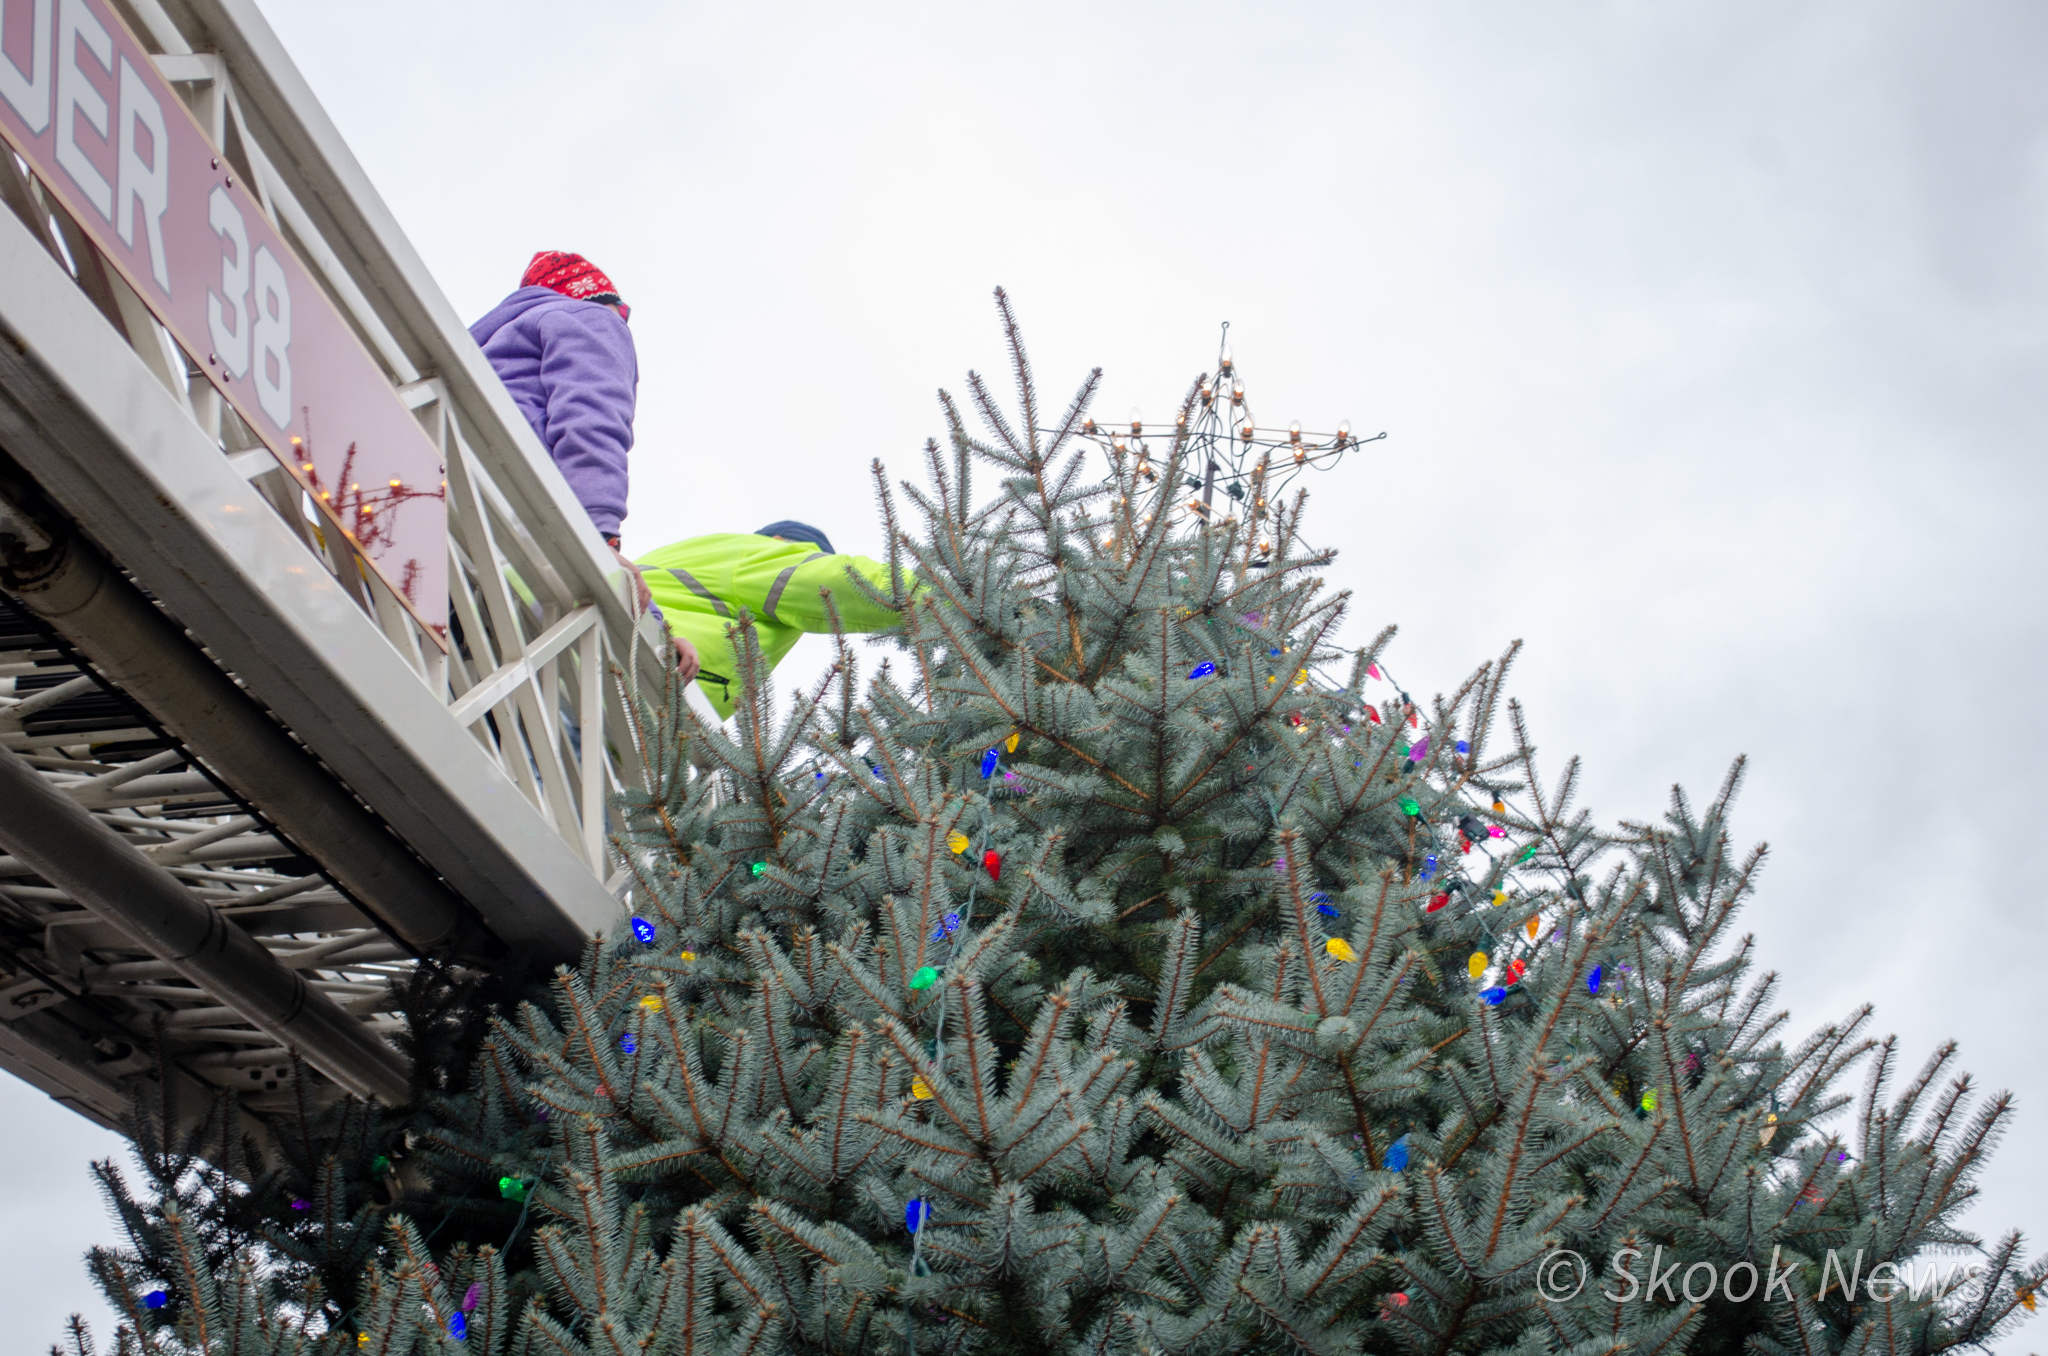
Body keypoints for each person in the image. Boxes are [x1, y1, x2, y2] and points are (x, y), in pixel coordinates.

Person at [470, 252, 698, 677]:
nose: (621, 327)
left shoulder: (481, 352)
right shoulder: (589, 318)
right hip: (513, 512)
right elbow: (590, 421)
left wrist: (663, 628)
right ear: (599, 298)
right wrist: (601, 540)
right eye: (620, 314)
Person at [636, 521, 907, 720]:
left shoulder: (704, 554)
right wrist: (942, 593)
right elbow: (847, 582)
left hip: (612, 662)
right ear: (779, 541)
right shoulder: (761, 555)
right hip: (641, 678)